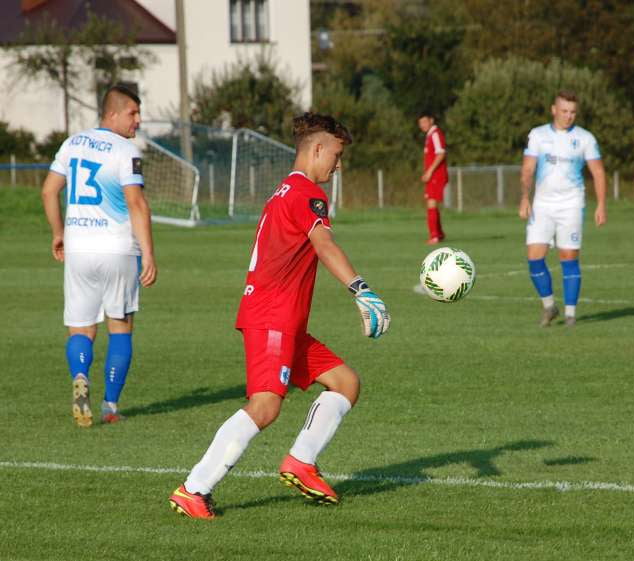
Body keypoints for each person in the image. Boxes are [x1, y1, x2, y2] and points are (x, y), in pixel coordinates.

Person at [169, 112, 390, 519]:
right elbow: (323, 245)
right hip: (273, 317)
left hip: (283, 320)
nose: (338, 165)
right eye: (337, 155)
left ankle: (301, 462)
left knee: (345, 382)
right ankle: (194, 488)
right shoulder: (307, 193)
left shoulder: (285, 190)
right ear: (318, 149)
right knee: (266, 406)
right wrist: (362, 290)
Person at [40, 84, 157, 428]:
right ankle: (109, 405)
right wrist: (148, 253)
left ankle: (80, 375)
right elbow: (136, 203)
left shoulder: (72, 143)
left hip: (79, 250)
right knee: (120, 328)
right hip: (118, 249)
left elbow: (49, 190)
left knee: (81, 327)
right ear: (113, 113)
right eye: (133, 113)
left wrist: (58, 232)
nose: (138, 121)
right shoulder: (125, 150)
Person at [519, 90, 607, 327]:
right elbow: (527, 169)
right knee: (534, 257)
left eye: (573, 112)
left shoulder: (585, 138)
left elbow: (598, 172)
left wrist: (601, 205)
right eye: (565, 111)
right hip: (542, 204)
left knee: (568, 257)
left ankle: (570, 314)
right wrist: (525, 199)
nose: (569, 116)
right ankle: (549, 306)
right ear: (554, 110)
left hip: (571, 205)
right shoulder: (538, 135)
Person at [418, 111, 448, 244]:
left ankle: (435, 236)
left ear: (431, 120)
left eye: (424, 122)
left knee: (431, 203)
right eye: (420, 123)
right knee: (431, 203)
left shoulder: (435, 134)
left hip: (436, 175)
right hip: (433, 175)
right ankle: (439, 234)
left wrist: (430, 171)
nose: (422, 125)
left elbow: (441, 153)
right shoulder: (430, 135)